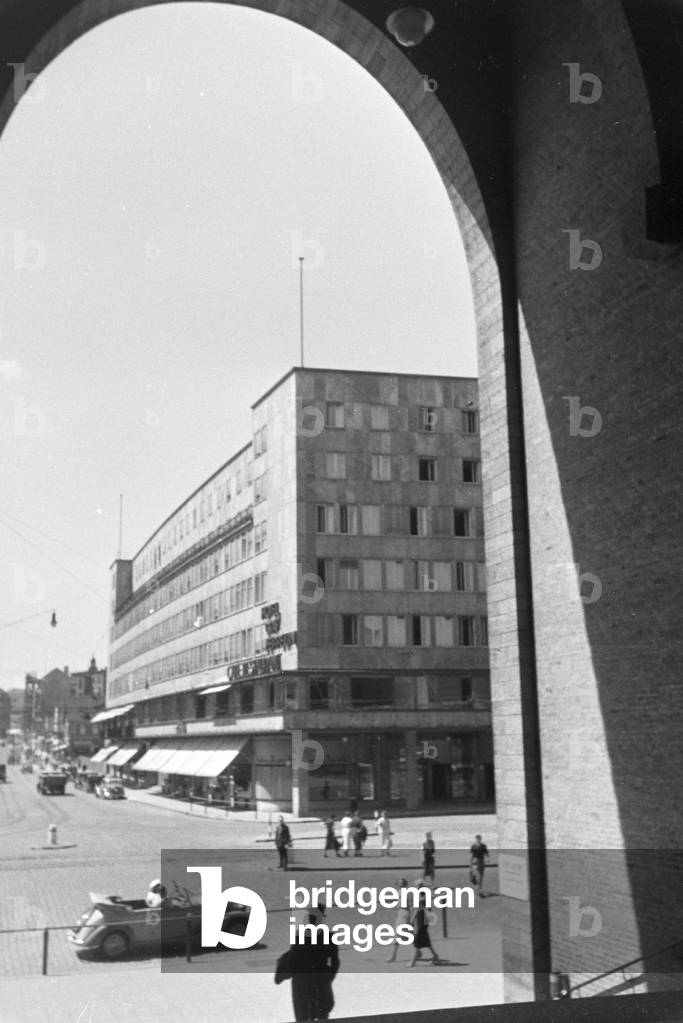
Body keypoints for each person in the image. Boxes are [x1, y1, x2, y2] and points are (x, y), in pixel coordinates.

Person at [288, 907, 340, 1021]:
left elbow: (293, 958)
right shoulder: (330, 937)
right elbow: (335, 961)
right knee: (323, 1011)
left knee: (303, 1013)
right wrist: (329, 976)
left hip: (304, 980)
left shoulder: (300, 935)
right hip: (321, 978)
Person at [409, 893, 442, 966]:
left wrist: (412, 919)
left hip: (422, 919)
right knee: (425, 939)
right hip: (423, 920)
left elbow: (418, 909)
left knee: (418, 939)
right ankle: (436, 956)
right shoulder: (425, 898)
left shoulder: (422, 899)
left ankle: (413, 961)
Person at [386, 877, 410, 962]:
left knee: (397, 935)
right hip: (401, 913)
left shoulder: (405, 892)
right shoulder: (401, 892)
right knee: (407, 935)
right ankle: (418, 951)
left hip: (404, 913)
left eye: (402, 883)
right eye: (399, 883)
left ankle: (393, 956)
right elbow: (396, 900)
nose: (401, 885)